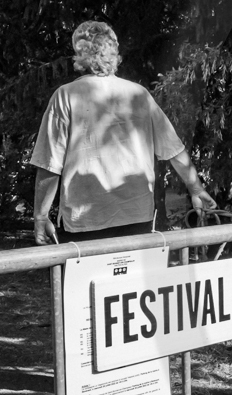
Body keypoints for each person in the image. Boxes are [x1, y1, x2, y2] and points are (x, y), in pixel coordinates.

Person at [29, 20, 217, 245]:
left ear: (80, 54)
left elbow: (49, 163)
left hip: (86, 222)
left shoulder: (66, 96)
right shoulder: (139, 94)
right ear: (114, 53)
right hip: (137, 217)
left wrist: (40, 216)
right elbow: (173, 149)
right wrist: (195, 188)